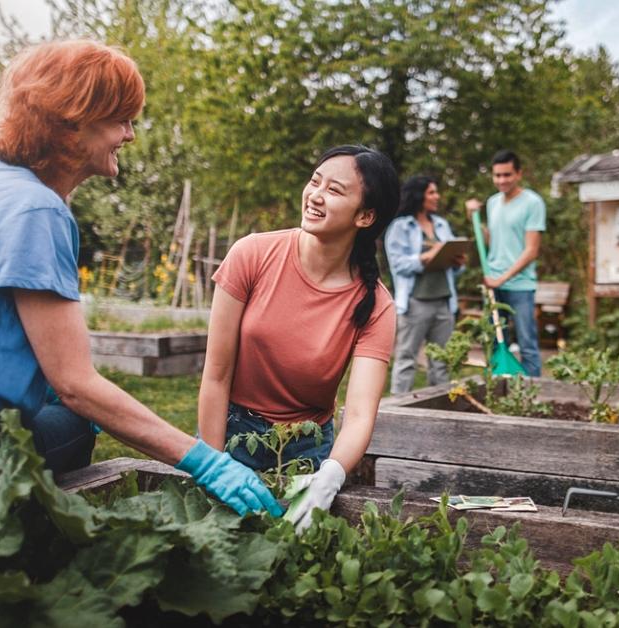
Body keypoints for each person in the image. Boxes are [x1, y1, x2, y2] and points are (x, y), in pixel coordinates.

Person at [0, 40, 281, 518]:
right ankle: (8, 545)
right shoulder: (34, 209)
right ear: (73, 120)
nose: (129, 135)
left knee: (59, 414)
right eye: (121, 119)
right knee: (77, 422)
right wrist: (206, 462)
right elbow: (76, 384)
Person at [197, 145, 398, 532]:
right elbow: (216, 375)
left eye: (335, 190)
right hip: (231, 431)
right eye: (314, 181)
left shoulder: (376, 307)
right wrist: (212, 462)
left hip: (306, 450)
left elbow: (358, 415)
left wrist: (331, 475)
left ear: (365, 216)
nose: (316, 195)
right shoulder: (252, 254)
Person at [464, 150, 546, 377]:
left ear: (519, 174)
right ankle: (498, 390)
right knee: (494, 341)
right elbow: (492, 241)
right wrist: (475, 220)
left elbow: (531, 250)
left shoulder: (533, 203)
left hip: (520, 285)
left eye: (507, 175)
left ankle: (533, 395)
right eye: (497, 175)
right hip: (493, 284)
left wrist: (503, 278)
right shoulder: (492, 202)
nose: (501, 180)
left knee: (527, 343)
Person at [384, 175, 466, 393]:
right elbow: (398, 264)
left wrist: (457, 262)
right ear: (419, 195)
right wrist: (427, 256)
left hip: (444, 303)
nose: (437, 196)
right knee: (406, 358)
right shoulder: (400, 227)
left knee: (442, 361)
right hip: (415, 304)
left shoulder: (441, 224)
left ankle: (439, 409)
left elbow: (453, 264)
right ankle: (398, 410)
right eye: (432, 192)